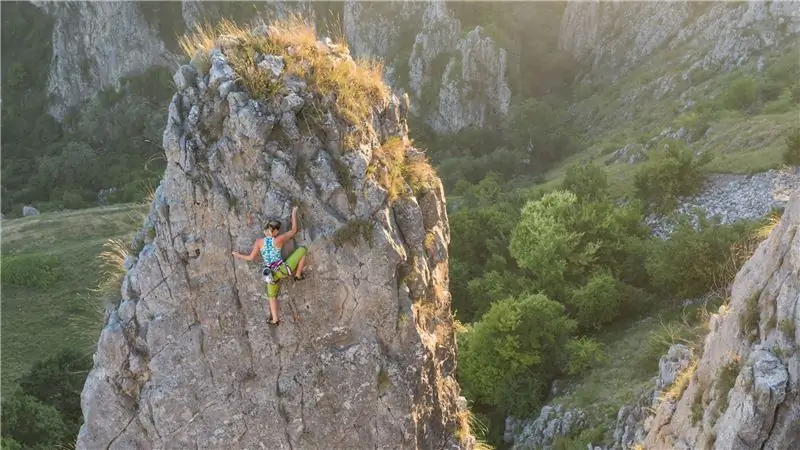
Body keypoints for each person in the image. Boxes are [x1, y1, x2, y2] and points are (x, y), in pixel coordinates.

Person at [232, 206, 307, 326]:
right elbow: (294, 230)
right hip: (283, 269)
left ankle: (275, 319)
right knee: (303, 250)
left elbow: (251, 258)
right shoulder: (278, 240)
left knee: (272, 296)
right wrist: (293, 212)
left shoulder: (259, 242)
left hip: (270, 274)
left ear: (265, 230)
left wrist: (237, 255)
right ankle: (298, 275)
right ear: (276, 231)